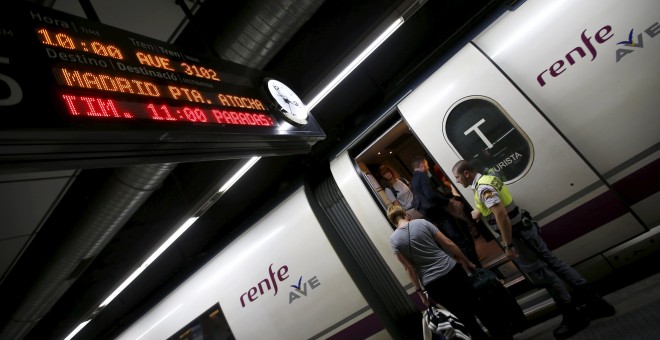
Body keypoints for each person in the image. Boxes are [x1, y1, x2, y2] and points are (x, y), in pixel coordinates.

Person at [452, 160, 616, 340]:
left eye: (458, 177)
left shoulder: (482, 188)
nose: (458, 181)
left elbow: (501, 214)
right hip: (525, 230)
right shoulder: (487, 180)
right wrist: (480, 210)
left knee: (543, 273)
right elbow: (496, 205)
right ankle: (597, 303)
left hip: (520, 237)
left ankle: (573, 315)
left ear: (467, 173)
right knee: (555, 264)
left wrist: (508, 245)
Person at [387, 205, 494, 340]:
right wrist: (467, 261)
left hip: (433, 284)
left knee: (463, 317)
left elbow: (409, 268)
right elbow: (448, 243)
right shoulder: (422, 223)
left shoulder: (394, 240)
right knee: (477, 306)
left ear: (393, 221)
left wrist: (420, 293)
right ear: (405, 214)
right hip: (452, 270)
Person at [410, 157, 481, 266]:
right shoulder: (422, 176)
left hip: (433, 217)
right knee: (461, 238)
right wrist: (447, 201)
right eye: (427, 165)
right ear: (422, 166)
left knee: (453, 241)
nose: (428, 167)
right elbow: (430, 195)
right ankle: (476, 265)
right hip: (441, 213)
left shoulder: (413, 180)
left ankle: (470, 263)